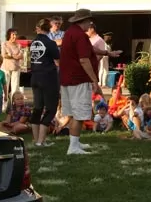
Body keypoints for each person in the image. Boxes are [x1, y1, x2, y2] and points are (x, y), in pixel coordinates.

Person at [59, 9, 103, 155]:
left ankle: (75, 142)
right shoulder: (80, 36)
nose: (90, 24)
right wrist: (94, 80)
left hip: (66, 79)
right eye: (89, 21)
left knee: (72, 113)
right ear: (83, 21)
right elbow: (84, 59)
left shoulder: (69, 33)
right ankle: (73, 147)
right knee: (80, 114)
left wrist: (107, 53)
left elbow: (90, 50)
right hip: (78, 79)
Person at [30, 18, 61, 147]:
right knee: (50, 109)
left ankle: (36, 139)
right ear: (49, 29)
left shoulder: (32, 43)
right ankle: (41, 141)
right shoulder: (50, 43)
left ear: (38, 29)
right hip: (48, 78)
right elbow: (58, 58)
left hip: (35, 77)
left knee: (37, 108)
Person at [1, 28, 23, 110]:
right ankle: (4, 107)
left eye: (16, 34)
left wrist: (11, 54)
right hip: (6, 67)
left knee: (15, 87)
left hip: (16, 68)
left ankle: (14, 107)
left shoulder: (18, 45)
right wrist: (14, 56)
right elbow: (4, 55)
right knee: (5, 87)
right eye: (13, 34)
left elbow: (21, 56)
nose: (15, 36)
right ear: (9, 35)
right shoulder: (5, 44)